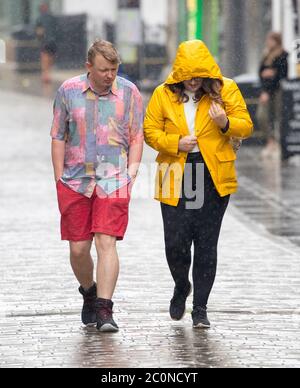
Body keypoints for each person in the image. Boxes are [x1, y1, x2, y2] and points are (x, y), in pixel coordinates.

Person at [144, 40, 253, 329]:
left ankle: (200, 308)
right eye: (188, 76)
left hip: (211, 172)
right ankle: (182, 285)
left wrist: (225, 122)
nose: (193, 81)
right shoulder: (163, 94)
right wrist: (174, 143)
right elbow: (150, 130)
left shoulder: (225, 89)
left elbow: (246, 124)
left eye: (198, 75)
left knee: (206, 243)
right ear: (179, 73)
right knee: (176, 243)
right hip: (175, 171)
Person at [51, 40, 144, 332]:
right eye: (103, 69)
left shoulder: (129, 92)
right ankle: (89, 291)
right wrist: (58, 178)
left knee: (107, 242)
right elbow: (58, 135)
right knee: (79, 249)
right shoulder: (67, 91)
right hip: (75, 181)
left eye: (114, 70)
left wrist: (131, 173)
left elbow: (137, 136)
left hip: (113, 179)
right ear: (89, 66)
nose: (109, 75)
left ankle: (105, 309)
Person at [258, 32, 288, 158]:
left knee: (277, 117)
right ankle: (271, 141)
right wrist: (266, 74)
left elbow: (282, 74)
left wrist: (272, 73)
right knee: (262, 116)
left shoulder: (282, 55)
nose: (269, 43)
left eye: (271, 40)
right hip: (265, 90)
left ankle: (278, 144)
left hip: (277, 91)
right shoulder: (266, 55)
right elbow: (260, 71)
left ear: (277, 41)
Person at [35, 3, 57, 83]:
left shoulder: (39, 19)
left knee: (45, 59)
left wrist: (39, 39)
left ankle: (45, 75)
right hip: (53, 42)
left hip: (45, 42)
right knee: (50, 59)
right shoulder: (53, 18)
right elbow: (57, 30)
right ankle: (47, 75)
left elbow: (39, 32)